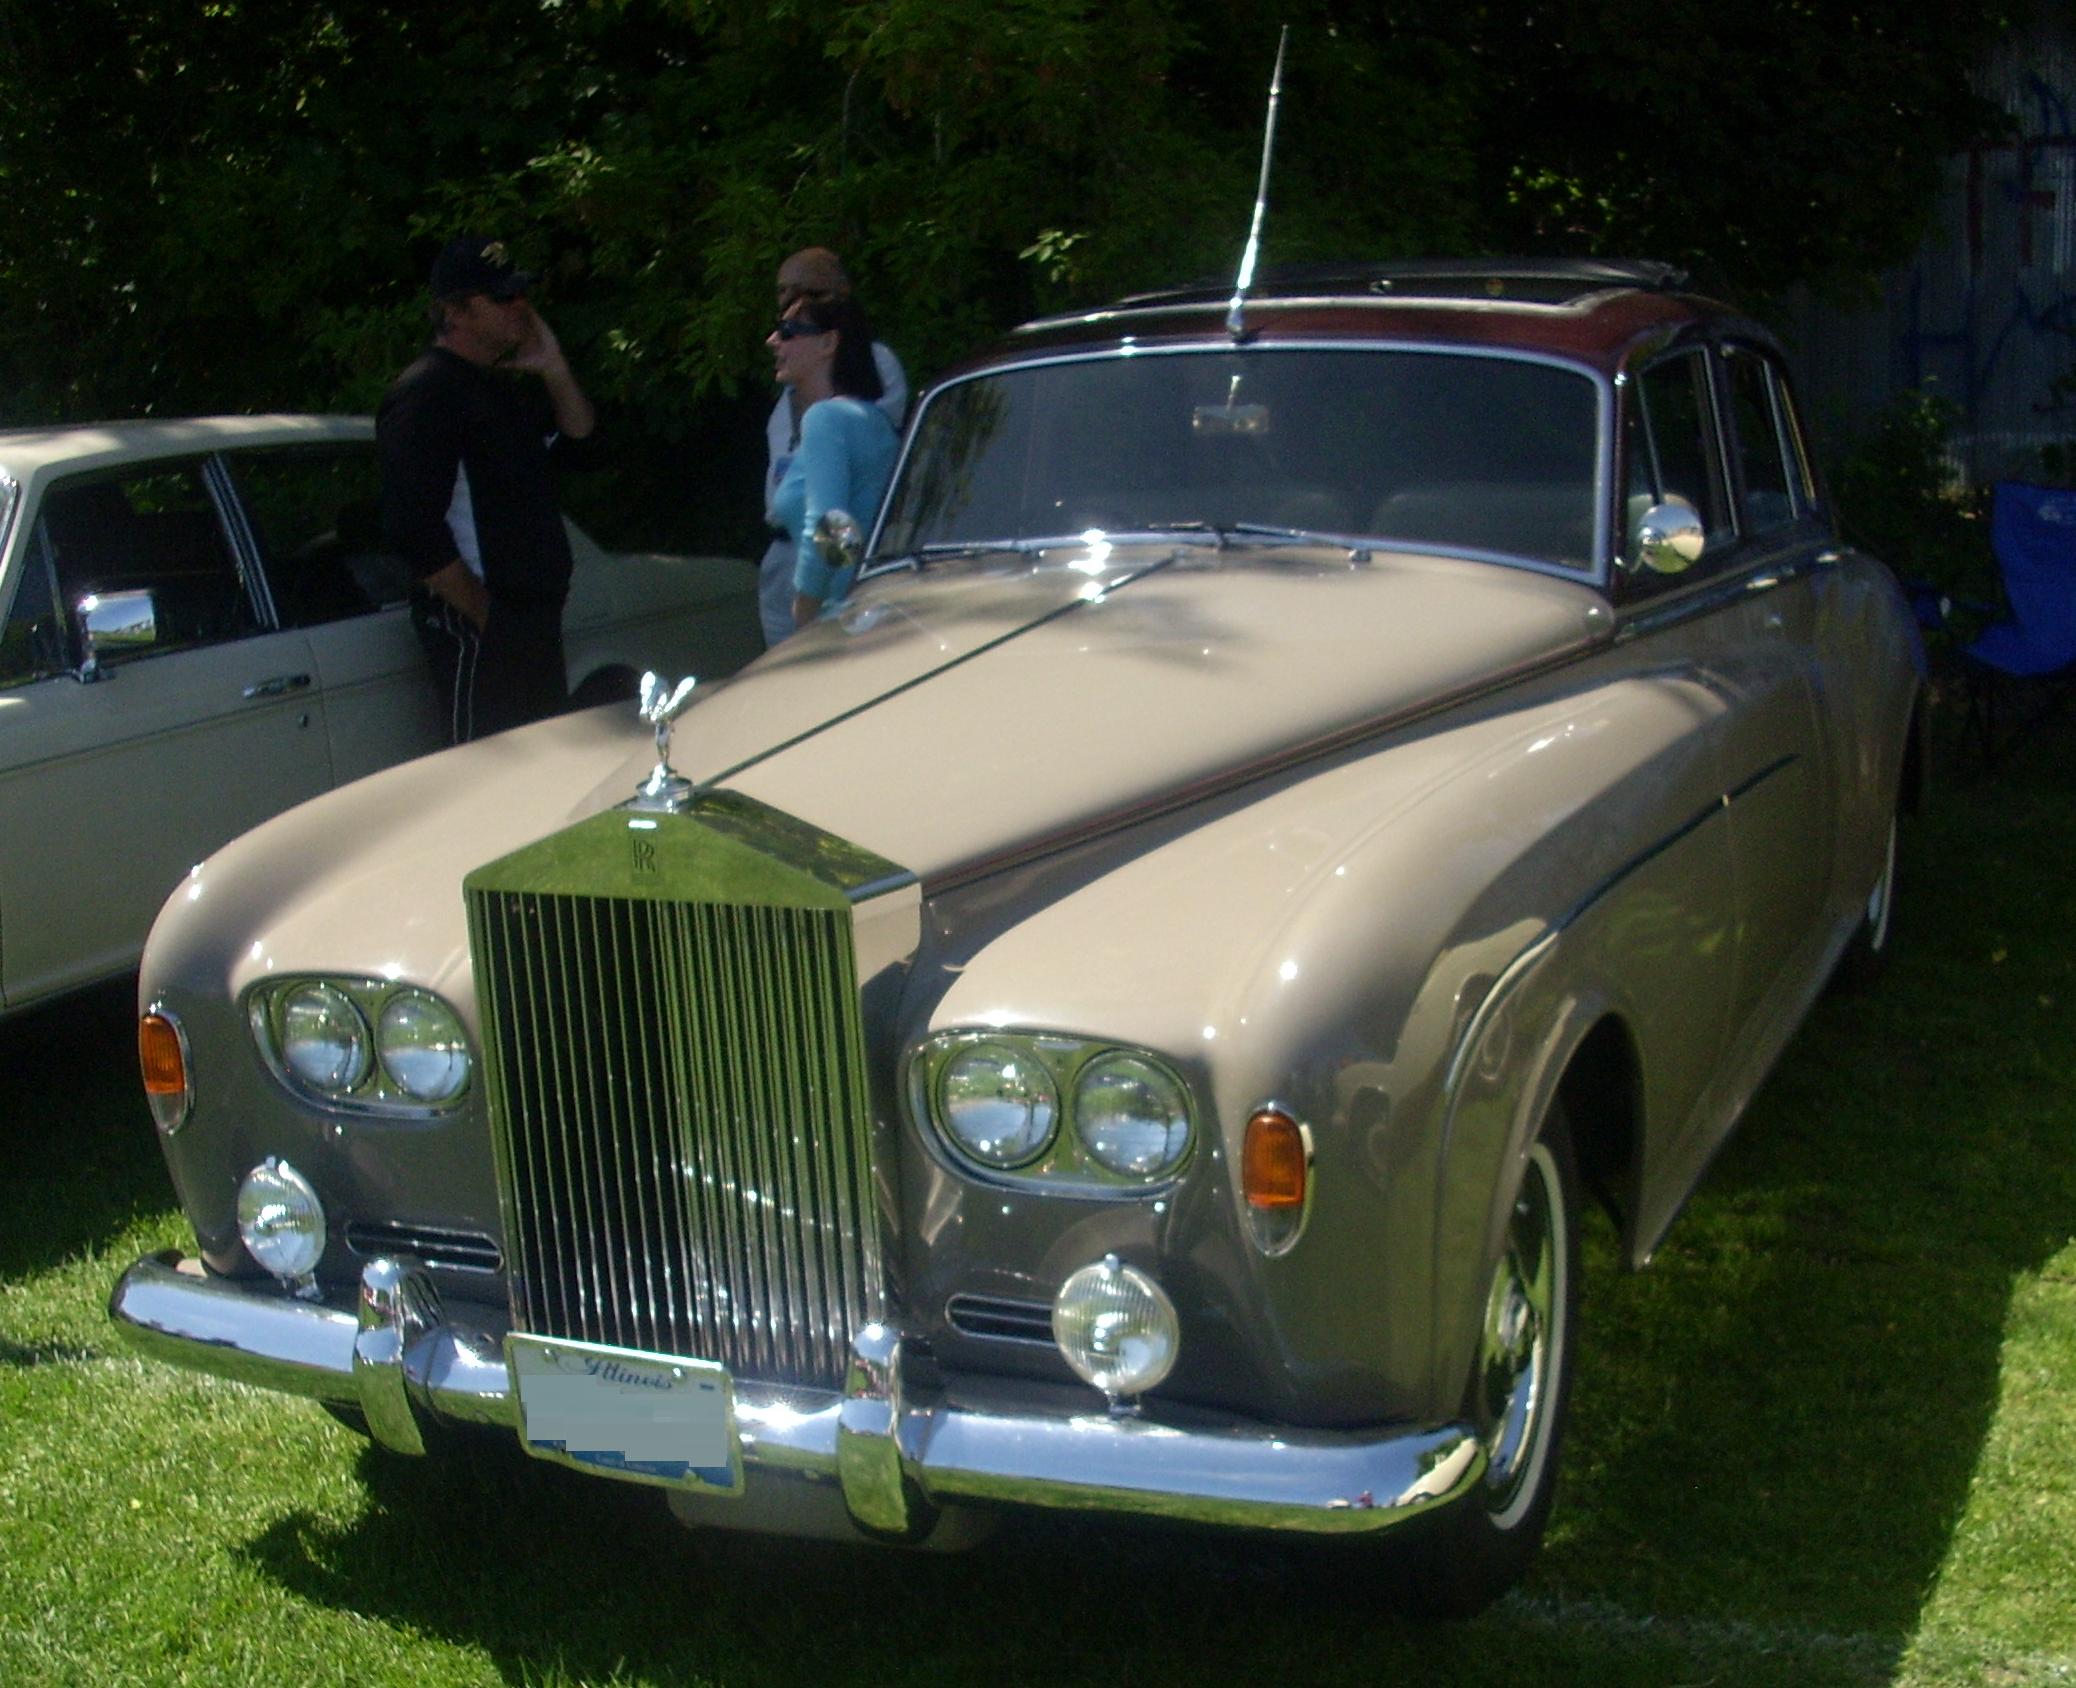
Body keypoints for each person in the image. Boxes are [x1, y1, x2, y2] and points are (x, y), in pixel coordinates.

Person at [377, 234, 600, 743]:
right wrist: (484, 615)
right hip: (479, 625)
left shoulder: (498, 386)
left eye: (521, 292)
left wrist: (554, 367)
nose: (520, 306)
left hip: (535, 617)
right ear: (456, 311)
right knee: (487, 777)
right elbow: (410, 525)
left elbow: (580, 441)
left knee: (547, 768)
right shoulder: (425, 392)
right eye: (502, 297)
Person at [759, 248, 907, 645]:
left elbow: (833, 525)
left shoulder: (826, 419)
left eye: (788, 333)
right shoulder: (868, 419)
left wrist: (808, 610)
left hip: (840, 621)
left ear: (828, 344)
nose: (774, 341)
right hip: (871, 611)